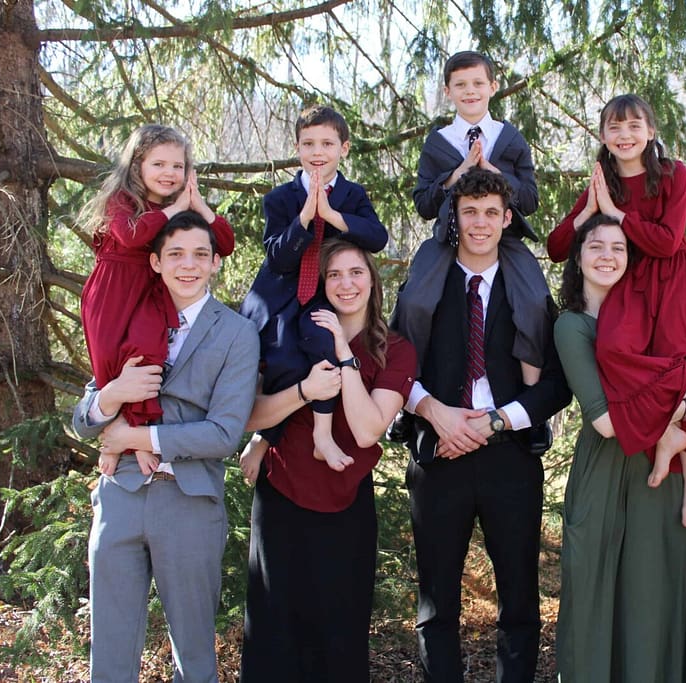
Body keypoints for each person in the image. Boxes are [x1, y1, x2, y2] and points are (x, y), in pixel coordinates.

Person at [391, 168, 571, 682]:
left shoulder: (529, 291)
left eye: (491, 212)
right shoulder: (425, 287)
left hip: (509, 458)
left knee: (518, 600)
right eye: (469, 211)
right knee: (436, 602)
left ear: (507, 218)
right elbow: (394, 365)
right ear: (454, 216)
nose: (480, 222)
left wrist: (495, 422)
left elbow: (556, 384)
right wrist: (435, 413)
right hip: (438, 453)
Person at [73, 211, 259, 682]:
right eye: (175, 254)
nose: (188, 265)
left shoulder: (238, 333)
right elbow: (82, 419)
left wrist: (134, 437)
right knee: (110, 653)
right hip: (120, 495)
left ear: (216, 262)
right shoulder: (128, 315)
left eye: (200, 254)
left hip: (189, 502)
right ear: (155, 262)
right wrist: (113, 394)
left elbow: (222, 434)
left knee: (194, 656)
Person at [239, 240, 415, 682]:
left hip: (346, 503)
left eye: (356, 272)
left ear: (372, 281)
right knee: (273, 633)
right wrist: (301, 392)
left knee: (340, 635)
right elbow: (250, 415)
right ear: (320, 285)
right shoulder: (292, 338)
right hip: (280, 494)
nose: (346, 283)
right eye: (334, 275)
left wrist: (342, 349)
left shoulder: (396, 349)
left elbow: (368, 430)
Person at [553, 215, 686, 682]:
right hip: (603, 474)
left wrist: (683, 403)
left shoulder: (657, 315)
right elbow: (604, 421)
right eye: (595, 246)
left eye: (619, 248)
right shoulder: (572, 326)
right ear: (578, 258)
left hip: (656, 478)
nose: (607, 256)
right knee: (593, 595)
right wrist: (683, 404)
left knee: (653, 595)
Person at [546, 93, 686, 521]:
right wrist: (591, 213)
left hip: (670, 283)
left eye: (635, 126)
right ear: (602, 135)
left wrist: (616, 215)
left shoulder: (674, 175)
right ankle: (666, 433)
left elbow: (666, 242)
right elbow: (558, 247)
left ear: (651, 132)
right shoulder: (603, 182)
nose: (625, 135)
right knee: (617, 357)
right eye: (614, 127)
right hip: (630, 292)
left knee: (672, 358)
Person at [393, 50, 551, 452]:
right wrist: (458, 173)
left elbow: (530, 198)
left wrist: (496, 175)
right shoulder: (438, 143)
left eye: (478, 83)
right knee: (413, 300)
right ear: (448, 91)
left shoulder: (509, 139)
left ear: (493, 87)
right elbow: (424, 202)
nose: (470, 91)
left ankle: (534, 413)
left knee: (533, 300)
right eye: (460, 85)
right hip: (449, 237)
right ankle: (405, 403)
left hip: (503, 239)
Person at [79, 124, 235, 476]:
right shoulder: (122, 200)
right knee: (108, 362)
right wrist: (174, 208)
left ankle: (136, 430)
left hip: (151, 294)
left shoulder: (180, 208)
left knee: (146, 356)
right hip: (113, 291)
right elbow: (132, 235)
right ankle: (114, 432)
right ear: (138, 166)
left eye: (178, 167)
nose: (169, 173)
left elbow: (224, 244)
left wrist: (198, 206)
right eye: (159, 165)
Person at [239, 105, 388, 473]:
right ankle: (263, 436)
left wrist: (333, 216)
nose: (317, 152)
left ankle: (323, 434)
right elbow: (277, 258)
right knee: (283, 361)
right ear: (297, 147)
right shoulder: (279, 199)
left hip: (321, 295)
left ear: (345, 148)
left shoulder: (352, 195)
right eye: (308, 144)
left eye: (327, 143)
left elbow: (377, 237)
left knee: (324, 346)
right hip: (279, 295)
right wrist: (305, 216)